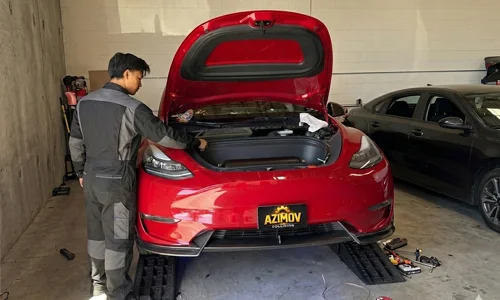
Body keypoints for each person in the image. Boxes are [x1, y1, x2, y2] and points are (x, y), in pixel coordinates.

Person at [69, 52, 207, 300]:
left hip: (90, 178)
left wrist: (80, 172)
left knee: (97, 235)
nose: (140, 83)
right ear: (127, 74)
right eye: (140, 77)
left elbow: (75, 143)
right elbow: (165, 137)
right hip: (118, 180)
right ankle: (118, 294)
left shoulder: (84, 103)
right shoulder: (133, 107)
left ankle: (98, 286)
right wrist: (195, 142)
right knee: (119, 239)